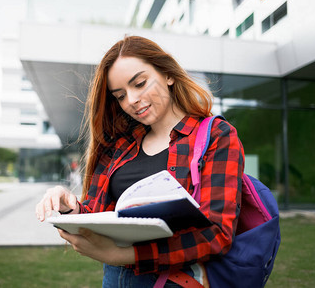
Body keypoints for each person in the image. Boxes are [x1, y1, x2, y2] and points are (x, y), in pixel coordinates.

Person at [35, 36, 244, 287]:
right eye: (120, 95)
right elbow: (96, 215)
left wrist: (123, 255)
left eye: (140, 83)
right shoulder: (117, 146)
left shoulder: (216, 136)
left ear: (168, 74)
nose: (131, 100)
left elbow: (217, 234)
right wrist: (70, 208)